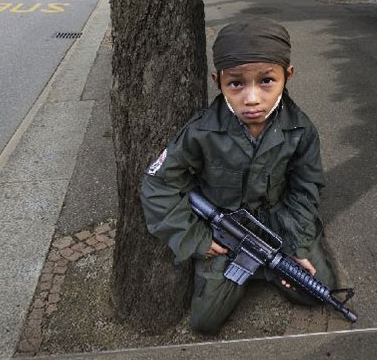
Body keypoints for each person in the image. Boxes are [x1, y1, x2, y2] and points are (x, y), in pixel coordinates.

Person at [140, 19, 336, 334]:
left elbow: (306, 188)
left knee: (317, 290)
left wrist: (297, 244)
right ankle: (257, 269)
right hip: (225, 229)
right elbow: (158, 183)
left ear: (287, 76)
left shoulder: (300, 130)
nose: (252, 98)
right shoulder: (202, 132)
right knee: (205, 321)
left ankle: (270, 266)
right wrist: (195, 239)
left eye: (266, 81)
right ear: (218, 82)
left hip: (278, 222)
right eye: (236, 84)